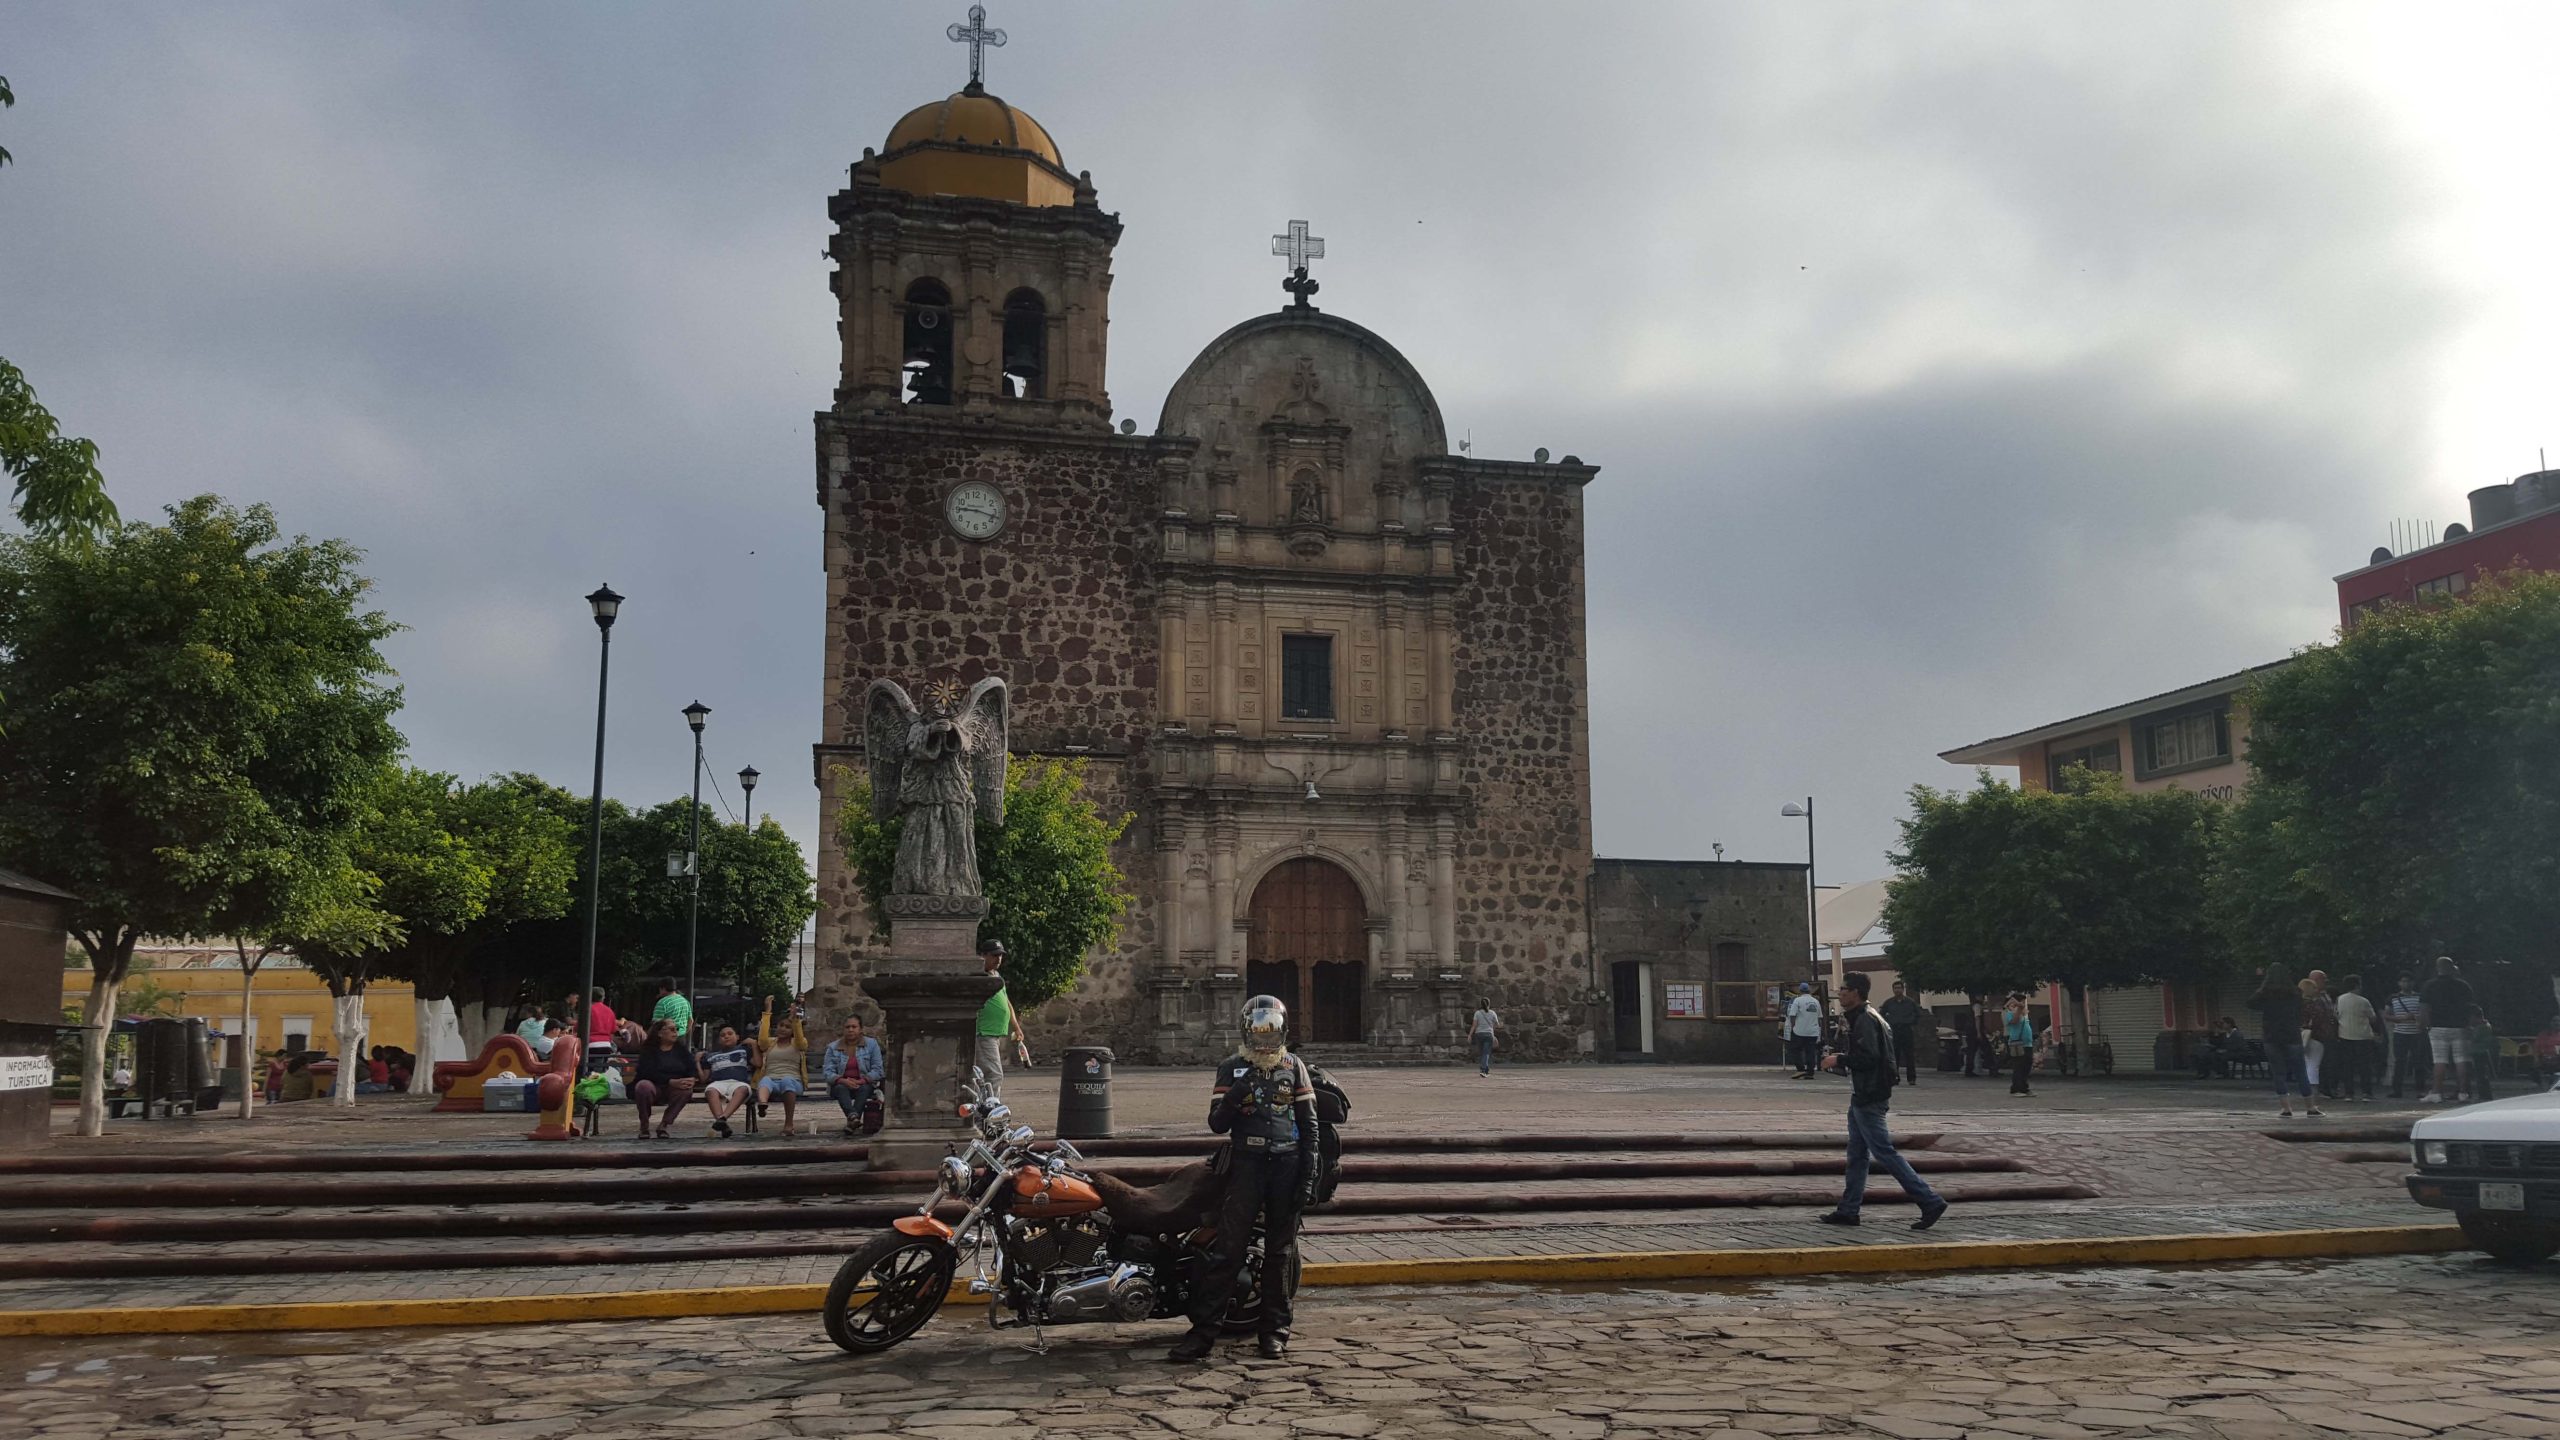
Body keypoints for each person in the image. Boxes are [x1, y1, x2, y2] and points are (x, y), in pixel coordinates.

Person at [1167, 994, 1318, 1364]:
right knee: (1227, 1251)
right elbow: (1217, 1123)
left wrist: (1309, 1176)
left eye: (1272, 1031)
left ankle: (1275, 1332)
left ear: (1283, 1031)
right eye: (1259, 1032)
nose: (1265, 1040)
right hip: (1246, 1166)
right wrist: (1237, 1094)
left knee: (1280, 1254)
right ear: (1246, 1032)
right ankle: (1203, 1333)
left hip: (1286, 1165)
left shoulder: (1294, 1066)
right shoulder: (1232, 1068)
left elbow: (1309, 1125)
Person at [1816, 971, 1948, 1232]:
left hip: (1870, 1094)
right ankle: (1848, 1210)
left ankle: (1929, 1200)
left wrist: (1839, 1059)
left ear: (1856, 992)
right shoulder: (1868, 1016)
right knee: (1857, 1154)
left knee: (1884, 1152)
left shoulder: (1866, 1019)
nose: (1840, 994)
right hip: (1864, 1093)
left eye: (1843, 989)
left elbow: (1870, 1057)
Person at [2250, 963, 2316, 1117]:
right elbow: (2299, 1011)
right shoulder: (2295, 993)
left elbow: (2250, 1003)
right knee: (2300, 1071)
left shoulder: (2265, 993)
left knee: (2278, 1072)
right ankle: (2310, 1107)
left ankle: (2286, 1108)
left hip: (2271, 1036)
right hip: (2292, 1035)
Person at [973, 939, 1030, 1090]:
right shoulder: (978, 975)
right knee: (994, 1075)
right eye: (994, 955)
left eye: (1000, 955)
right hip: (983, 1032)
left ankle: (984, 1102)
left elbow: (1006, 1002)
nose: (998, 958)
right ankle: (991, 1103)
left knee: (985, 1075)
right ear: (983, 956)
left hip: (993, 1033)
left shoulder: (996, 975)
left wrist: (1016, 1027)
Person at [2419, 956, 2475, 1105]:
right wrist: (2469, 1024)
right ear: (2452, 968)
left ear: (2438, 968)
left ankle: (2437, 1092)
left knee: (2439, 1060)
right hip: (2460, 1027)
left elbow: (2424, 1008)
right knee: (2461, 1059)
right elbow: (2471, 1008)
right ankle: (2463, 1092)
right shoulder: (2463, 986)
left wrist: (2425, 1025)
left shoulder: (2429, 985)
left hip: (2438, 1027)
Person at [820, 1013, 886, 1136]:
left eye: (854, 1027)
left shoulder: (871, 1044)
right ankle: (853, 1117)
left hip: (864, 1083)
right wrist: (842, 1080)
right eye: (847, 1027)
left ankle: (852, 1120)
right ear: (843, 1029)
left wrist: (862, 1080)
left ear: (860, 1029)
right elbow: (827, 1072)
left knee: (864, 1088)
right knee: (840, 1088)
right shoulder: (833, 1047)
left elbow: (878, 1070)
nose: (850, 1030)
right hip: (841, 1084)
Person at [630, 1020, 696, 1139]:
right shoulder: (649, 1050)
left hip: (674, 1088)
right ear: (660, 1033)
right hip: (654, 1086)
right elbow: (645, 1072)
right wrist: (669, 1081)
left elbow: (691, 1067)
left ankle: (664, 1125)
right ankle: (644, 1126)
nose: (675, 1032)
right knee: (643, 1086)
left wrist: (690, 1079)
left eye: (676, 1029)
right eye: (671, 1029)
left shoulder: (681, 1050)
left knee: (686, 1091)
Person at [756, 1000, 809, 1137]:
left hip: (793, 1082)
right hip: (772, 1081)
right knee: (765, 1080)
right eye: (781, 1025)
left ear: (792, 1031)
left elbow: (800, 1039)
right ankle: (762, 1104)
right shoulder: (770, 1043)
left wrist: (795, 1020)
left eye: (787, 1027)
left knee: (787, 1080)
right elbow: (762, 1040)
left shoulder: (798, 1044)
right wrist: (767, 1012)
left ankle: (789, 1124)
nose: (783, 1029)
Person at [696, 1023, 757, 1139]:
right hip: (718, 1083)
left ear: (737, 1037)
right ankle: (723, 1124)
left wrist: (754, 1045)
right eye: (722, 1035)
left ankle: (722, 1118)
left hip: (738, 1082)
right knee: (710, 1090)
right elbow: (704, 1078)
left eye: (730, 1034)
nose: (726, 1036)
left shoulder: (743, 1050)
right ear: (719, 1040)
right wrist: (697, 1062)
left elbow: (758, 1063)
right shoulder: (711, 1056)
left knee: (742, 1089)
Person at [2332, 975, 2378, 1102]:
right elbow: (2373, 1017)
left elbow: (2335, 1015)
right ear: (2357, 985)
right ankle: (2366, 1093)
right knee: (2364, 1066)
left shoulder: (2340, 999)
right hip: (2362, 1036)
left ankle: (2349, 1093)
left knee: (2347, 1066)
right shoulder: (2363, 1001)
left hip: (2344, 1035)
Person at [2383, 973, 2427, 1099]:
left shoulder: (2420, 997)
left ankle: (2420, 1089)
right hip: (2400, 1033)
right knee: (2399, 1062)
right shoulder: (2392, 998)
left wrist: (2416, 1018)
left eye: (2408, 981)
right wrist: (2401, 1018)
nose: (2406, 984)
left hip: (2417, 1034)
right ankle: (2397, 1090)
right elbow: (2386, 1015)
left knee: (2419, 1062)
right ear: (2399, 983)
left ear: (2413, 983)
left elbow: (2425, 1013)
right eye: (2403, 981)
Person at [1877, 982, 1923, 1086]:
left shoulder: (1910, 1002)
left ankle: (1911, 1078)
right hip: (1894, 1030)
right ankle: (1894, 1077)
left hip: (1906, 1030)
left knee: (1909, 1055)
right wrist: (1888, 1023)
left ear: (1903, 989)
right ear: (1893, 989)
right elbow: (1881, 1015)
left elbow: (1917, 1014)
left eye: (1899, 988)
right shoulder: (1889, 1003)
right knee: (1894, 1055)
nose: (1897, 990)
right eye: (1895, 988)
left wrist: (1911, 1022)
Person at [2300, 973, 2337, 1100]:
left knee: (2313, 1063)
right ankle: (2314, 1090)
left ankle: (2316, 1089)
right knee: (2314, 1064)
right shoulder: (2313, 1003)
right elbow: (2319, 1017)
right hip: (2316, 1035)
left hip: (2313, 1035)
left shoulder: (2303, 1002)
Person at [1783, 983, 1823, 1079]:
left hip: (1799, 1031)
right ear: (1809, 990)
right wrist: (1818, 1029)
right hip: (1813, 1031)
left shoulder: (1797, 1000)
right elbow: (1819, 1018)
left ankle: (1800, 1069)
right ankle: (1810, 1072)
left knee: (1795, 1049)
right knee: (1811, 1052)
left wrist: (1793, 1026)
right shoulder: (1816, 1001)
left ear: (1800, 991)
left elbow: (1792, 1015)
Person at [2001, 993, 2036, 1097]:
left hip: (2027, 1043)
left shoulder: (2023, 1012)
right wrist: (2018, 1008)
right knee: (2018, 1066)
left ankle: (2024, 1088)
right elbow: (2014, 1021)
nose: (2023, 1003)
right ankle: (2016, 1088)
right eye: (2021, 1001)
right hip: (2017, 1043)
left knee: (2026, 1066)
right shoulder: (2009, 1012)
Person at [2465, 1007, 2499, 1104]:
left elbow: (2474, 1038)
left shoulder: (2482, 1027)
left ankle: (2484, 1095)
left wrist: (2470, 1031)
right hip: (2479, 1052)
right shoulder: (2484, 1025)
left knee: (2481, 1075)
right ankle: (2484, 1094)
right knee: (2481, 1075)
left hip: (2480, 1053)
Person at [584, 987, 619, 1075]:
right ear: (603, 998)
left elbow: (578, 1028)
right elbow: (613, 1029)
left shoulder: (588, 1009)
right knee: (602, 1072)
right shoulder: (609, 1011)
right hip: (606, 1045)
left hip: (590, 1044)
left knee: (588, 1072)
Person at [651, 979, 694, 1046]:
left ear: (663, 988)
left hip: (666, 1038)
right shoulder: (685, 1001)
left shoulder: (662, 1003)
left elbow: (656, 1024)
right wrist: (684, 1033)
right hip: (681, 1038)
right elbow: (690, 1021)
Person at [1469, 999, 1500, 1077]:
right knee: (1486, 1053)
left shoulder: (1477, 1013)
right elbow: (1497, 1024)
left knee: (1482, 1053)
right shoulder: (1492, 1013)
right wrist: (1492, 1028)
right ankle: (1484, 1070)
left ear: (1481, 1004)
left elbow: (1474, 1025)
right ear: (1489, 1004)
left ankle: (1485, 1069)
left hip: (1479, 1034)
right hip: (1488, 1034)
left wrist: (1470, 1035)